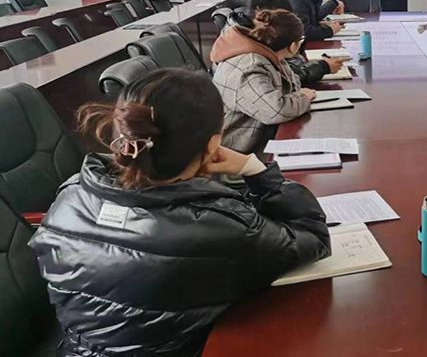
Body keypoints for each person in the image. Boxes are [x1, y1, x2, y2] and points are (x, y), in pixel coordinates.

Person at [28, 68, 331, 357]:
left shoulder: (71, 193)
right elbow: (313, 239)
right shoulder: (217, 228)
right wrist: (256, 170)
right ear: (214, 143)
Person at [211, 9, 316, 154]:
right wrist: (304, 97)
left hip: (263, 138)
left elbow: (294, 86)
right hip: (238, 152)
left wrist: (298, 95)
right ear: (294, 45)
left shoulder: (271, 56)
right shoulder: (249, 66)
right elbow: (275, 111)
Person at [225, 0, 347, 85]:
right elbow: (280, 80)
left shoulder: (248, 30)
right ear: (259, 12)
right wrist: (322, 67)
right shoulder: (246, 44)